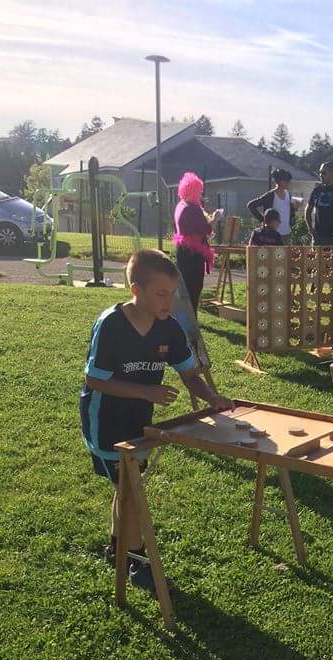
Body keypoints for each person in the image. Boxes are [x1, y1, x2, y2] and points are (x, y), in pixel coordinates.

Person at [80, 249, 234, 590]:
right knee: (131, 489)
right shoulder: (111, 325)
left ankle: (117, 547)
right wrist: (147, 393)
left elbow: (189, 374)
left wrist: (212, 398)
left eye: (173, 293)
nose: (169, 301)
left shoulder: (171, 328)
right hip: (105, 421)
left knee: (128, 487)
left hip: (140, 422)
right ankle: (136, 560)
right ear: (136, 289)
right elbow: (95, 380)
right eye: (161, 293)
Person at [173, 171, 217, 315]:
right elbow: (206, 229)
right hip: (194, 254)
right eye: (199, 192)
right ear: (194, 191)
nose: (200, 195)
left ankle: (184, 318)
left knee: (183, 287)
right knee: (194, 288)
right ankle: (191, 322)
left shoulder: (180, 205)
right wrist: (214, 219)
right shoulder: (193, 209)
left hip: (182, 250)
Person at [247, 168, 298, 242]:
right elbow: (251, 205)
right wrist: (263, 220)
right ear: (281, 181)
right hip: (272, 235)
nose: (289, 183)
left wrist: (295, 208)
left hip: (287, 233)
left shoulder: (288, 195)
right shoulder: (270, 195)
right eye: (287, 181)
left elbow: (289, 212)